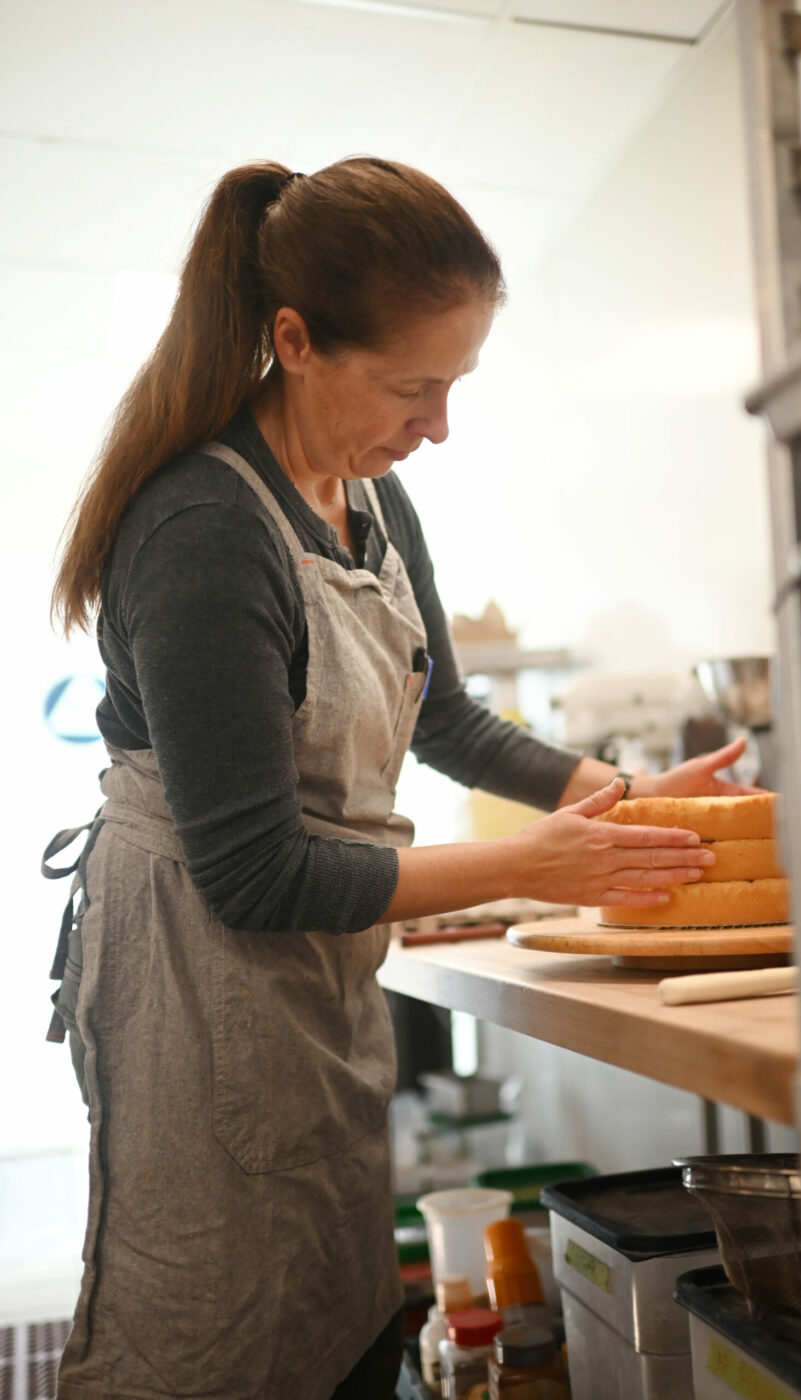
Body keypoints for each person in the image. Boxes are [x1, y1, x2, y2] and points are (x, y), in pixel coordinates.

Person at [47, 158, 757, 1400]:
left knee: (327, 1294)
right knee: (208, 1323)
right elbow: (255, 866)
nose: (437, 424)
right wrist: (540, 864)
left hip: (315, 971)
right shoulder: (203, 530)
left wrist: (620, 791)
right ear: (294, 341)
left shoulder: (370, 495)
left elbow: (447, 715)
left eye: (455, 384)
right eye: (413, 385)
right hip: (196, 971)